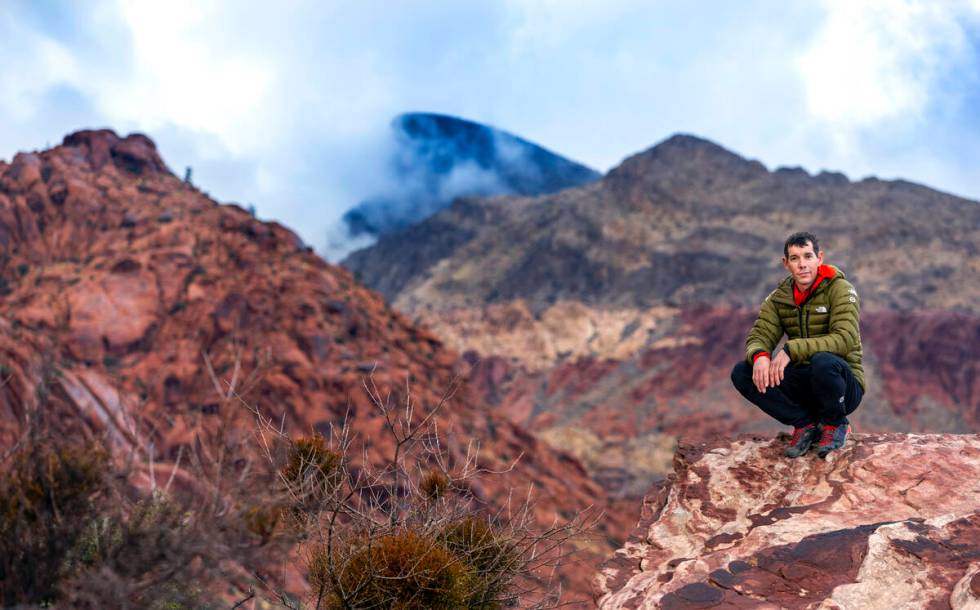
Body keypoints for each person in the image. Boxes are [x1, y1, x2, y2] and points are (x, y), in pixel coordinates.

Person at [731, 232, 865, 458]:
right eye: (794, 258)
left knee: (823, 362)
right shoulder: (779, 298)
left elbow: (845, 339)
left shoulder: (840, 289)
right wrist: (760, 356)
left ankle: (835, 424)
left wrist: (791, 350)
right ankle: (805, 425)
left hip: (842, 385)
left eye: (807, 256)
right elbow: (760, 335)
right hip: (805, 385)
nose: (802, 264)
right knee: (742, 371)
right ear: (786, 264)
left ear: (819, 258)